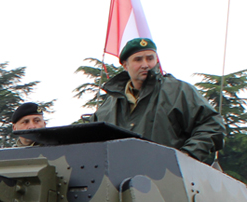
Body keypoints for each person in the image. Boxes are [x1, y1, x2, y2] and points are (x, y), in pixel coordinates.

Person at [93, 36, 225, 165]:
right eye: (138, 60)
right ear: (125, 65)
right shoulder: (107, 107)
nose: (145, 65)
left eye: (150, 58)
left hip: (167, 180)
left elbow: (212, 125)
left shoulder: (178, 91)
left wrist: (187, 156)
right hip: (116, 181)